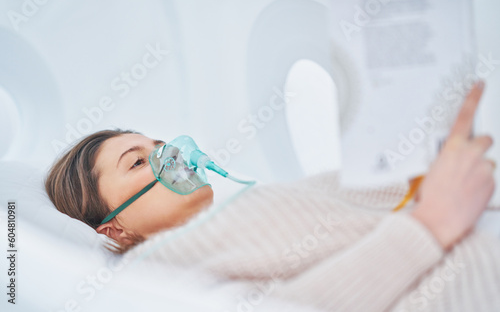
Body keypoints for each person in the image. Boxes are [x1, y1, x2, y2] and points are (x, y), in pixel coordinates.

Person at [44, 81, 499, 311]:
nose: (169, 155)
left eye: (158, 145)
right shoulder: (153, 276)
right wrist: (431, 225)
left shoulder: (231, 215)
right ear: (115, 228)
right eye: (138, 162)